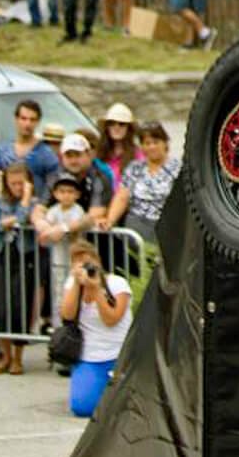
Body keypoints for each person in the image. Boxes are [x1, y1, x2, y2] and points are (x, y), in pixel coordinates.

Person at [59, 241, 132, 418]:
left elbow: (111, 320)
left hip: (117, 353)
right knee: (82, 408)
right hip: (89, 355)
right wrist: (77, 283)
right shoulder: (72, 284)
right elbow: (67, 316)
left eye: (87, 261)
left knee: (123, 410)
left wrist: (96, 289)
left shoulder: (117, 284)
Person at [0, 161, 37, 374]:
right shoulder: (0, 201)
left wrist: (24, 201)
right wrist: (3, 224)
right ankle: (5, 356)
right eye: (13, 183)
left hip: (24, 257)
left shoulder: (33, 202)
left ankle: (18, 358)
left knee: (19, 309)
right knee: (2, 309)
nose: (17, 186)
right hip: (1, 255)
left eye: (21, 183)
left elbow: (23, 220)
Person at [104, 122, 180, 246]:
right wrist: (110, 220)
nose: (151, 147)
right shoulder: (135, 167)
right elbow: (122, 196)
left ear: (165, 143)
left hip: (166, 227)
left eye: (155, 142)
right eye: (147, 143)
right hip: (136, 227)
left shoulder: (178, 169)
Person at [38, 174, 91, 316]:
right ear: (55, 194)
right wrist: (48, 231)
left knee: (75, 288)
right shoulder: (54, 210)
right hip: (58, 259)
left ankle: (74, 320)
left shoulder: (77, 210)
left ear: (77, 194)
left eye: (70, 192)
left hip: (75, 259)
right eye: (62, 191)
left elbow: (74, 227)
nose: (66, 195)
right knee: (58, 291)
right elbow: (47, 229)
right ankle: (59, 323)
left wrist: (59, 229)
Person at [0, 99, 60, 201]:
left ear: (38, 122)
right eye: (23, 118)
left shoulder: (47, 154)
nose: (27, 124)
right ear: (16, 119)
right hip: (6, 207)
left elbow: (51, 186)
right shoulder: (2, 150)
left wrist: (42, 206)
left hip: (34, 207)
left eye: (32, 120)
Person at [94, 103, 143, 191]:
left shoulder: (138, 156)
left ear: (129, 128)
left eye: (122, 124)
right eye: (111, 123)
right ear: (107, 127)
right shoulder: (97, 153)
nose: (116, 127)